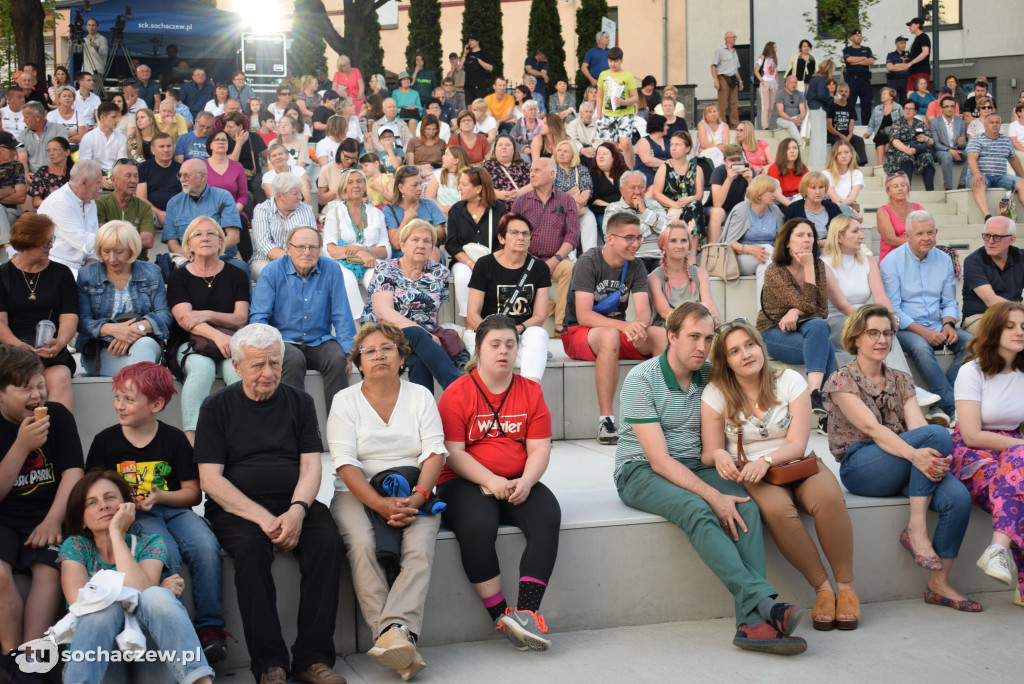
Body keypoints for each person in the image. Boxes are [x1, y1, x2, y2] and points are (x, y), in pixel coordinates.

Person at [615, 302, 808, 653]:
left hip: (696, 463)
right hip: (640, 469)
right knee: (697, 508)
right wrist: (712, 495)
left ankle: (751, 623)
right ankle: (762, 607)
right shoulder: (641, 379)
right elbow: (659, 461)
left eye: (707, 338)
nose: (702, 347)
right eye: (692, 337)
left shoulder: (710, 375)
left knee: (745, 506)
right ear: (671, 336)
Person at [195, 323, 346, 684]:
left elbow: (312, 465)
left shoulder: (300, 401)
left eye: (275, 363)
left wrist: (297, 511)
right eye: (258, 365)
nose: (268, 373)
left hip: (292, 501)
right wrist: (264, 518)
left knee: (327, 541)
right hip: (238, 509)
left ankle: (312, 658)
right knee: (249, 551)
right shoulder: (216, 406)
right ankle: (269, 664)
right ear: (237, 367)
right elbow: (210, 480)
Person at [702, 318, 858, 630]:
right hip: (752, 474)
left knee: (828, 498)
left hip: (794, 464)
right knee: (777, 510)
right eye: (735, 351)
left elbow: (798, 444)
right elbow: (709, 451)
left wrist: (767, 460)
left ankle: (847, 588)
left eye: (749, 345)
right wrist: (720, 453)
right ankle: (823, 590)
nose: (746, 354)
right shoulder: (716, 393)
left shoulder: (789, 380)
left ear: (760, 347)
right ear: (725, 361)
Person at [824, 303, 977, 612]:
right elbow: (872, 429)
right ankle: (916, 528)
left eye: (888, 333)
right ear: (854, 338)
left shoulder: (900, 379)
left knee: (958, 497)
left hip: (903, 462)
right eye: (873, 333)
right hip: (863, 466)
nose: (882, 340)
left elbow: (918, 428)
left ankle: (939, 584)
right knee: (939, 435)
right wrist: (922, 454)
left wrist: (931, 458)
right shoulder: (842, 381)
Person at [85, 362, 229, 662]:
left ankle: (211, 629)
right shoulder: (105, 442)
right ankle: (176, 629)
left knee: (206, 547)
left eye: (129, 399)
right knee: (166, 550)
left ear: (157, 404)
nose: (119, 406)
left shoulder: (174, 440)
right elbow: (92, 491)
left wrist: (162, 495)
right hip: (135, 518)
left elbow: (193, 493)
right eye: (117, 397)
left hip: (173, 509)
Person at [327, 321, 445, 680]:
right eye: (370, 350)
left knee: (420, 545)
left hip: (414, 488)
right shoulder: (344, 401)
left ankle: (392, 636)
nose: (378, 355)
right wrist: (378, 505)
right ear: (359, 361)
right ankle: (397, 638)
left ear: (401, 357)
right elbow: (345, 464)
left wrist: (419, 496)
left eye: (387, 348)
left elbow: (434, 452)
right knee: (361, 542)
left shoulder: (420, 396)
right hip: (356, 491)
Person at [437, 314, 559, 650]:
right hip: (465, 481)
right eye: (495, 344)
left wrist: (527, 481)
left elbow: (539, 448)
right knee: (478, 526)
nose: (503, 351)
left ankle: (527, 613)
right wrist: (491, 481)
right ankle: (500, 614)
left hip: (517, 479)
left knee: (547, 515)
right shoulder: (457, 393)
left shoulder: (530, 392)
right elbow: (453, 453)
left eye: (510, 344)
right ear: (478, 349)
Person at [58, 471, 216, 684]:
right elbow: (80, 603)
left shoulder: (150, 543)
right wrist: (151, 590)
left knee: (156, 597)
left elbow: (142, 592)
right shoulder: (76, 546)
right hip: (98, 658)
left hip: (149, 654)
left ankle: (200, 681)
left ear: (127, 505)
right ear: (82, 519)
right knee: (101, 608)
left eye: (110, 497)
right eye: (92, 503)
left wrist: (116, 534)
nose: (103, 506)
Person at [0, 343, 82, 676]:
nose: (37, 396)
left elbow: (73, 473)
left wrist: (52, 520)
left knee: (48, 572)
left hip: (47, 515)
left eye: (39, 385)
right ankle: (10, 656)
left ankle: (31, 659)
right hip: (3, 518)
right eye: (25, 389)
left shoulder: (58, 416)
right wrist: (21, 446)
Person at [562, 212, 668, 443]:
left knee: (660, 335)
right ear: (610, 238)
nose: (636, 244)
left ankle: (659, 413)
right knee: (610, 335)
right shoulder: (588, 262)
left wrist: (640, 327)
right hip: (578, 333)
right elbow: (584, 315)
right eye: (629, 238)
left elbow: (642, 310)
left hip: (615, 329)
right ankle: (606, 420)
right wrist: (625, 325)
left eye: (639, 238)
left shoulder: (636, 265)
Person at [820, 214, 940, 407]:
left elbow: (881, 296)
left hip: (866, 318)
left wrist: (891, 318)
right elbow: (842, 305)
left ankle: (899, 389)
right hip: (837, 321)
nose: (862, 236)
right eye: (855, 231)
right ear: (839, 236)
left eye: (860, 230)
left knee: (884, 330)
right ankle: (909, 389)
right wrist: (874, 321)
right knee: (878, 330)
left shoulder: (868, 261)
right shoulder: (824, 264)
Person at [951, 302, 1024, 606]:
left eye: (1023, 326)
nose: (1020, 331)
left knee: (1019, 469)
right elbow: (971, 434)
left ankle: (998, 551)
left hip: (1013, 451)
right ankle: (1008, 564)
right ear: (994, 330)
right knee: (1019, 469)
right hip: (972, 451)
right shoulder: (972, 371)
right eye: (1011, 326)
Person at [880, 211, 972, 426]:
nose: (926, 238)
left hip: (937, 322)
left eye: (930, 232)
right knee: (922, 348)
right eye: (919, 233)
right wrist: (924, 332)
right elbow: (893, 309)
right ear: (907, 235)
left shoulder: (944, 260)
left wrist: (948, 323)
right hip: (906, 328)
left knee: (972, 343)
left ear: (936, 233)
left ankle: (941, 404)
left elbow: (949, 300)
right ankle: (953, 406)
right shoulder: (891, 262)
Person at [163, 216, 249, 445]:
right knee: (202, 369)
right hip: (191, 343)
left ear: (221, 242)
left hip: (230, 341)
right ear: (188, 245)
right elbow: (184, 320)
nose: (205, 238)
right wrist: (218, 335)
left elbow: (240, 318)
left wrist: (208, 314)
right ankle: (193, 440)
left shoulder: (237, 275)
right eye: (198, 234)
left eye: (212, 233)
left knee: (235, 374)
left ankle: (241, 438)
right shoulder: (178, 277)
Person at [362, 219, 461, 392]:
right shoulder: (386, 268)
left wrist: (425, 335)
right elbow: (383, 312)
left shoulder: (440, 273)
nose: (421, 245)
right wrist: (422, 333)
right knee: (416, 334)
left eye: (427, 241)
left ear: (432, 248)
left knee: (418, 359)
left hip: (419, 341)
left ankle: (423, 411)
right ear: (402, 244)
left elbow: (434, 315)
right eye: (415, 240)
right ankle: (458, 391)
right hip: (384, 334)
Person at [757, 218, 835, 429]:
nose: (806, 240)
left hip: (807, 328)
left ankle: (814, 393)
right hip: (773, 332)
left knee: (820, 327)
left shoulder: (818, 265)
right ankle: (826, 413)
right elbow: (811, 304)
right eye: (800, 236)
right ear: (787, 242)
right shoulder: (775, 271)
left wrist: (795, 310)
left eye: (810, 235)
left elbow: (823, 310)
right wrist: (808, 267)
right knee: (826, 347)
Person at [76, 220, 171, 376]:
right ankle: (140, 395)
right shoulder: (87, 275)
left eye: (119, 252)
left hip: (142, 342)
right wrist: (112, 330)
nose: (112, 258)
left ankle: (133, 395)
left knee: (144, 346)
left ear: (131, 249)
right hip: (101, 350)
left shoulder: (151, 271)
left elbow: (164, 315)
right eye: (106, 251)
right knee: (141, 373)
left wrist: (134, 330)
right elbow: (82, 320)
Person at [322, 169, 390, 319]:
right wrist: (359, 254)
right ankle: (363, 324)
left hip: (370, 261)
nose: (356, 185)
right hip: (343, 262)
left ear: (365, 186)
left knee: (379, 275)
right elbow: (329, 248)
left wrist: (363, 250)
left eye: (359, 181)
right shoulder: (335, 212)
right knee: (346, 278)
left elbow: (386, 250)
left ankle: (384, 320)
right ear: (343, 187)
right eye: (350, 182)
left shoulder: (376, 213)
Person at [162, 158, 247, 274]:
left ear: (202, 176)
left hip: (221, 258)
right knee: (182, 274)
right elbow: (172, 244)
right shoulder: (173, 203)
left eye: (186, 175)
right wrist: (191, 257)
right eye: (180, 175)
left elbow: (234, 236)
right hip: (189, 260)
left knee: (241, 268)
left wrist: (210, 255)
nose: (182, 180)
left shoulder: (223, 197)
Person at [446, 166, 507, 318]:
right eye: (460, 183)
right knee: (462, 276)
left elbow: (503, 240)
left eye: (464, 184)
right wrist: (471, 264)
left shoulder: (498, 208)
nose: (459, 188)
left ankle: (493, 320)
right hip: (464, 261)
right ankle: (469, 321)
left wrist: (491, 262)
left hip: (493, 259)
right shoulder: (456, 210)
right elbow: (452, 244)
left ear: (479, 188)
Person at [721, 175, 784, 299]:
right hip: (741, 258)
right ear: (759, 192)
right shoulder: (742, 210)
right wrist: (751, 250)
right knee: (767, 249)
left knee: (764, 268)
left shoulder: (775, 210)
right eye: (771, 192)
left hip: (767, 258)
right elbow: (728, 242)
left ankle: (762, 312)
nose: (775, 195)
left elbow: (781, 240)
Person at [960, 216, 1024, 335]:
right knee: (1006, 333)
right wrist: (1020, 313)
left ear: (1012, 239)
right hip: (980, 318)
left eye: (997, 237)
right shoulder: (973, 261)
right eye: (987, 236)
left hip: (1015, 317)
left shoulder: (1021, 257)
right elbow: (991, 300)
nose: (990, 241)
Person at [649, 221, 719, 328]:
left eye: (684, 241)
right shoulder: (654, 277)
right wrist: (694, 320)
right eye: (673, 241)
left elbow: (710, 304)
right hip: (670, 328)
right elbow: (664, 312)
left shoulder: (700, 273)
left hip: (699, 325)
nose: (679, 246)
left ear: (689, 244)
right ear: (663, 245)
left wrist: (716, 319)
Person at [39, 159, 102, 277]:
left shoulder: (90, 201)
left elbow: (94, 237)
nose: (101, 186)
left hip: (81, 265)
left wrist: (91, 262)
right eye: (98, 183)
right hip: (55, 265)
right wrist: (114, 239)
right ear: (84, 182)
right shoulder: (60, 201)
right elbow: (81, 240)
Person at [603, 170, 668, 274]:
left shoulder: (654, 205)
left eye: (641, 187)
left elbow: (667, 229)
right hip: (631, 258)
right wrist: (651, 229)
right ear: (622, 190)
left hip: (658, 257)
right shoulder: (614, 208)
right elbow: (613, 234)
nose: (637, 192)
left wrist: (644, 211)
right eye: (632, 188)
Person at [966, 112, 1024, 222]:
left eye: (997, 122)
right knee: (979, 183)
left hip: (1001, 176)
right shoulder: (977, 139)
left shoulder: (1006, 140)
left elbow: (1014, 159)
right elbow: (972, 158)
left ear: (1000, 125)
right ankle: (987, 215)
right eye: (991, 122)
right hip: (982, 175)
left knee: (1022, 184)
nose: (994, 125)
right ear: (985, 125)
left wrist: (1022, 177)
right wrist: (977, 174)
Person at [652, 132, 705, 252]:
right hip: (668, 208)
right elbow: (656, 193)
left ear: (687, 148)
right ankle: (690, 251)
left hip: (689, 207)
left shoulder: (696, 169)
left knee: (695, 205)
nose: (673, 148)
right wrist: (675, 205)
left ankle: (689, 254)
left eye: (678, 145)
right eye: (671, 144)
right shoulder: (664, 167)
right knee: (694, 211)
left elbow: (699, 195)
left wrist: (688, 200)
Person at [95, 159, 156, 262]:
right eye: (128, 176)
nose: (133, 180)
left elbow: (148, 241)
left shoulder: (144, 207)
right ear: (113, 180)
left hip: (137, 262)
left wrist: (114, 243)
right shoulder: (100, 204)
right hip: (108, 261)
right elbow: (102, 239)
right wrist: (132, 241)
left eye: (136, 176)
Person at [383, 165, 447, 255]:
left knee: (430, 252)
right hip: (403, 257)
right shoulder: (389, 210)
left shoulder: (429, 205)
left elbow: (442, 238)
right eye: (415, 185)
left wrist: (423, 229)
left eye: (420, 184)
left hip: (430, 254)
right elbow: (396, 245)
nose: (420, 188)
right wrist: (407, 219)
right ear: (401, 188)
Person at [596, 47, 639, 169]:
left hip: (625, 114)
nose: (613, 64)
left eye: (615, 61)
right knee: (611, 146)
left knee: (625, 143)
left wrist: (624, 102)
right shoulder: (603, 75)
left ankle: (632, 170)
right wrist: (599, 114)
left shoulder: (628, 76)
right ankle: (614, 171)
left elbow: (635, 97)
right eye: (610, 61)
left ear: (621, 60)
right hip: (608, 115)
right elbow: (599, 96)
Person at [885, 99, 936, 191]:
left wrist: (926, 139)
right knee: (907, 157)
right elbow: (894, 140)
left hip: (918, 151)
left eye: (910, 109)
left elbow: (931, 141)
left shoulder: (920, 123)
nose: (907, 111)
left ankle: (930, 190)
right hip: (899, 151)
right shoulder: (898, 123)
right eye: (906, 108)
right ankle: (907, 189)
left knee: (928, 156)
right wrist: (907, 149)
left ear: (916, 111)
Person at [783, 171, 844, 241]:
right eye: (813, 188)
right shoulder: (794, 208)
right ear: (805, 190)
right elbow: (786, 236)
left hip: (829, 249)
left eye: (821, 187)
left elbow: (842, 233)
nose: (818, 192)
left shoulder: (833, 208)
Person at [136, 133, 181, 227]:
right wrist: (159, 212)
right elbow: (141, 197)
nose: (166, 150)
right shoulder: (143, 168)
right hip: (152, 213)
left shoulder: (182, 169)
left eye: (169, 146)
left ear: (174, 148)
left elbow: (185, 197)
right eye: (161, 146)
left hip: (177, 214)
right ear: (153, 150)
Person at [203, 129, 248, 222]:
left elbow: (243, 195)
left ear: (228, 145)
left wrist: (233, 209)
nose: (221, 142)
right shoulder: (201, 166)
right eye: (217, 140)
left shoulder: (237, 167)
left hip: (233, 212)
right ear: (210, 145)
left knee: (241, 221)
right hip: (207, 213)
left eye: (224, 140)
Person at [875, 172, 920, 264]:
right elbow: (891, 239)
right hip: (891, 260)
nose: (900, 189)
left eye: (903, 185)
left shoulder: (918, 208)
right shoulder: (883, 212)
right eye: (895, 186)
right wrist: (917, 243)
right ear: (888, 192)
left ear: (908, 188)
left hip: (915, 258)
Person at [929, 96, 968, 192]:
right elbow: (935, 143)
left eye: (952, 106)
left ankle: (962, 183)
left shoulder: (961, 122)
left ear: (955, 108)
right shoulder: (934, 122)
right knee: (947, 157)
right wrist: (950, 151)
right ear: (941, 108)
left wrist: (961, 144)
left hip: (957, 149)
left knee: (971, 152)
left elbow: (963, 143)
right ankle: (949, 188)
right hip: (941, 151)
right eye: (946, 106)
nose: (949, 109)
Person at [482, 133, 531, 208]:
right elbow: (478, 186)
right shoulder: (486, 166)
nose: (504, 147)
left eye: (507, 145)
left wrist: (520, 193)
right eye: (500, 145)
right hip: (496, 208)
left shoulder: (524, 165)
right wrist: (497, 194)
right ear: (495, 149)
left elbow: (536, 183)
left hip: (523, 207)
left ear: (514, 149)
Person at [15, 102, 64, 177]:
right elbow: (22, 159)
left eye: (26, 117)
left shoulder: (58, 129)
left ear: (37, 117)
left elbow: (61, 155)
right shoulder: (23, 135)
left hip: (55, 175)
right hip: (33, 175)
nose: (24, 121)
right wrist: (26, 175)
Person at [826, 83, 868, 168]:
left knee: (859, 140)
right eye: (841, 91)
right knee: (838, 142)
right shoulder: (831, 106)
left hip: (846, 134)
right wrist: (841, 136)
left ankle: (860, 164)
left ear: (848, 94)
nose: (843, 93)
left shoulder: (851, 107)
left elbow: (851, 125)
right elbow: (829, 127)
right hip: (833, 135)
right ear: (837, 92)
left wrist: (849, 136)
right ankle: (838, 164)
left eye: (845, 91)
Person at [78, 101, 126, 175]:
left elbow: (121, 162)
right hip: (93, 175)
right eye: (113, 117)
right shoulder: (88, 137)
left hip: (115, 175)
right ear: (102, 117)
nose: (117, 120)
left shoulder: (122, 138)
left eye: (117, 117)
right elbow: (85, 164)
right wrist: (100, 177)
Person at [710, 31, 743, 129]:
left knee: (734, 103)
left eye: (735, 37)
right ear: (727, 38)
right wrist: (715, 80)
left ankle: (734, 125)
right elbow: (713, 66)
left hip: (733, 78)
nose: (735, 39)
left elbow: (736, 69)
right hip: (723, 77)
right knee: (722, 103)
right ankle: (722, 125)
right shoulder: (720, 50)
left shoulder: (734, 51)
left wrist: (740, 81)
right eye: (733, 37)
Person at [805, 60, 835, 168]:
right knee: (820, 138)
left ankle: (814, 163)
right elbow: (821, 95)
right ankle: (818, 164)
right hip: (819, 108)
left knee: (816, 138)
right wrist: (832, 99)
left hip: (814, 108)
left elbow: (809, 95)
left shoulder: (814, 79)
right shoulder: (821, 80)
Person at [28, 136, 71, 209]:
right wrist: (56, 205)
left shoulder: (76, 171)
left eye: (55, 150)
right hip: (49, 212)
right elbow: (36, 202)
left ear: (67, 152)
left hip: (71, 211)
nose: (51, 154)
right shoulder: (43, 172)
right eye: (49, 150)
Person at [842, 29, 875, 126]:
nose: (859, 37)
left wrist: (855, 62)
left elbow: (871, 61)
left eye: (860, 35)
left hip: (865, 79)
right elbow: (849, 59)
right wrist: (863, 58)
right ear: (851, 38)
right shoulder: (847, 50)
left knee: (866, 104)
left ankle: (866, 126)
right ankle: (849, 126)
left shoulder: (867, 49)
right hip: (852, 80)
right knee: (850, 103)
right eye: (857, 36)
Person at [824, 141, 864, 218]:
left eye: (846, 152)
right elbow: (835, 200)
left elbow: (851, 199)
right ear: (834, 156)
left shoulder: (857, 174)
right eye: (839, 153)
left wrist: (848, 207)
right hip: (830, 208)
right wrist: (852, 210)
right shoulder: (826, 174)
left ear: (851, 154)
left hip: (846, 206)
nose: (843, 156)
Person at [426, 144, 469, 215]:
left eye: (447, 155)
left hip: (462, 214)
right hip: (441, 214)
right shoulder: (438, 174)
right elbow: (429, 197)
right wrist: (442, 208)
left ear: (456, 160)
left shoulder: (467, 177)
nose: (443, 157)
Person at [318, 138, 361, 207]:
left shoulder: (359, 169)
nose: (349, 161)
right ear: (340, 151)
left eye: (353, 158)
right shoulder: (326, 169)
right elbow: (321, 200)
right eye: (346, 157)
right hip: (333, 209)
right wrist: (336, 190)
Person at [460, 33, 494, 103]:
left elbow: (490, 68)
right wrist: (465, 53)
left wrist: (479, 61)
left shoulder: (483, 54)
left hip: (479, 87)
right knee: (469, 107)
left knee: (479, 106)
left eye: (472, 40)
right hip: (468, 86)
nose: (470, 42)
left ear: (477, 41)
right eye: (469, 40)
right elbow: (460, 67)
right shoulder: (468, 55)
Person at [694, 103, 728, 168]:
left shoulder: (724, 126)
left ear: (718, 113)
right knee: (717, 153)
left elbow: (726, 143)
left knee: (718, 153)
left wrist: (721, 147)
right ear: (705, 115)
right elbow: (704, 143)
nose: (713, 114)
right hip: (705, 154)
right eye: (710, 112)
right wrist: (718, 147)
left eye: (715, 111)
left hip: (719, 153)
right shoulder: (701, 125)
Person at [754, 42, 779, 131]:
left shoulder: (774, 59)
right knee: (766, 106)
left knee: (771, 106)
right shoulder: (762, 57)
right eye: (775, 47)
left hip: (773, 83)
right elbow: (756, 71)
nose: (776, 49)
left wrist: (777, 84)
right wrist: (762, 80)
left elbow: (776, 72)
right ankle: (765, 126)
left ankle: (767, 123)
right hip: (765, 82)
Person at [774, 75, 807, 143]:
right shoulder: (780, 94)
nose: (793, 84)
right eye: (791, 82)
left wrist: (799, 119)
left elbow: (803, 110)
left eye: (795, 82)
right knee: (791, 124)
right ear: (786, 83)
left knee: (805, 122)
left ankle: (807, 141)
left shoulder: (800, 94)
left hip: (796, 117)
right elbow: (781, 112)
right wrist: (792, 120)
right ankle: (800, 143)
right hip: (782, 119)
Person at [566, 100, 598, 167]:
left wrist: (592, 150)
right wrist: (582, 150)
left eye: (591, 112)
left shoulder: (597, 124)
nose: (589, 114)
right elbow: (572, 141)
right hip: (578, 152)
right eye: (586, 111)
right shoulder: (572, 124)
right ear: (580, 112)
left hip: (593, 152)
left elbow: (598, 140)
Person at [905, 17, 932, 93]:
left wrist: (910, 63)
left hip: (921, 71)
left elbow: (925, 52)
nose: (909, 27)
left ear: (917, 25)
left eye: (911, 25)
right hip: (913, 72)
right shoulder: (917, 39)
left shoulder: (923, 37)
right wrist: (909, 59)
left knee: (923, 94)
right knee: (910, 95)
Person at [885, 36, 910, 102]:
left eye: (904, 43)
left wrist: (896, 65)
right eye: (901, 43)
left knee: (905, 102)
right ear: (896, 44)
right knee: (892, 101)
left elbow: (910, 67)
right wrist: (904, 66)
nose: (904, 45)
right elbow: (890, 68)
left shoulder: (909, 55)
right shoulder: (891, 55)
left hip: (905, 81)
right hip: (894, 80)